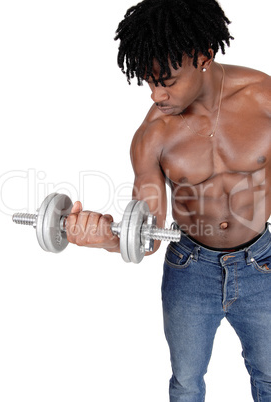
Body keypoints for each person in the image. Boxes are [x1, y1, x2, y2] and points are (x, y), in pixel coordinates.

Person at [66, 0, 271, 400]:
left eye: (168, 80)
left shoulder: (264, 99)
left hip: (262, 263)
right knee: (186, 384)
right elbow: (147, 234)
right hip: (189, 269)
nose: (156, 94)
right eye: (148, 81)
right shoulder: (153, 136)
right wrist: (104, 238)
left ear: (203, 57)